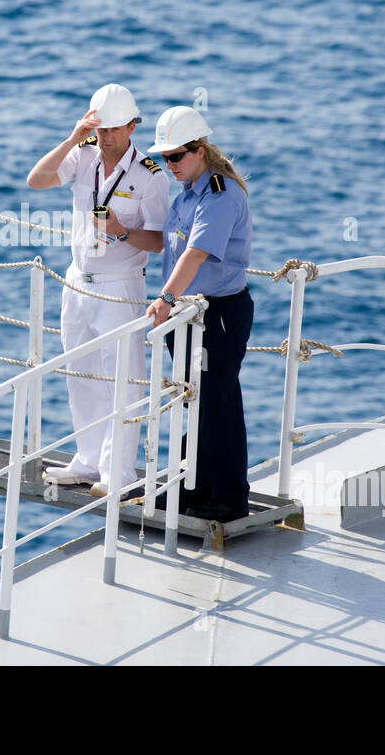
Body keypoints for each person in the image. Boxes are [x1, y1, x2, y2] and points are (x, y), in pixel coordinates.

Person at [26, 84, 170, 496]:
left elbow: (160, 240)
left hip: (119, 285)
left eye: (113, 129)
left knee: (122, 380)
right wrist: (73, 137)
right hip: (77, 282)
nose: (105, 137)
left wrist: (121, 232)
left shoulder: (148, 174)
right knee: (81, 374)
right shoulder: (82, 153)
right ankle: (89, 461)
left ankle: (118, 473)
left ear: (131, 127)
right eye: (99, 128)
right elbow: (36, 180)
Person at [144, 106, 254, 522]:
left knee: (218, 403)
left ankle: (228, 499)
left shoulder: (220, 194)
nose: (169, 165)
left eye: (176, 156)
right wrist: (118, 232)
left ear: (199, 149)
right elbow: (169, 245)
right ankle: (195, 488)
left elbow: (196, 252)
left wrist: (166, 298)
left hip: (217, 315)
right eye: (163, 158)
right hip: (193, 315)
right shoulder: (190, 192)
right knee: (203, 403)